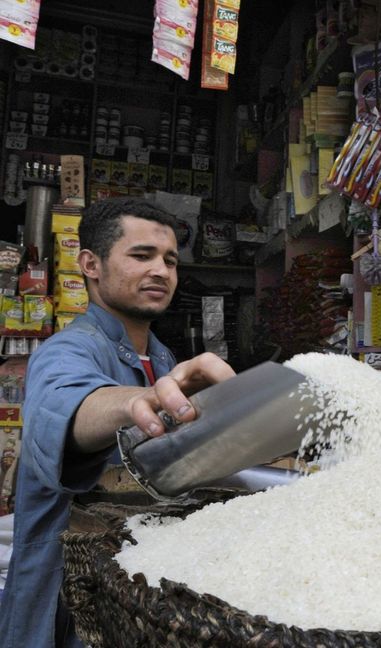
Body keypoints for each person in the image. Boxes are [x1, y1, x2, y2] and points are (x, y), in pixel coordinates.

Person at [0, 198, 236, 647]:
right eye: (141, 255)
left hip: (135, 589)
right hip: (66, 601)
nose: (162, 271)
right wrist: (139, 403)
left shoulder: (162, 357)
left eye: (169, 261)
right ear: (90, 264)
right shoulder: (67, 350)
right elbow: (68, 404)